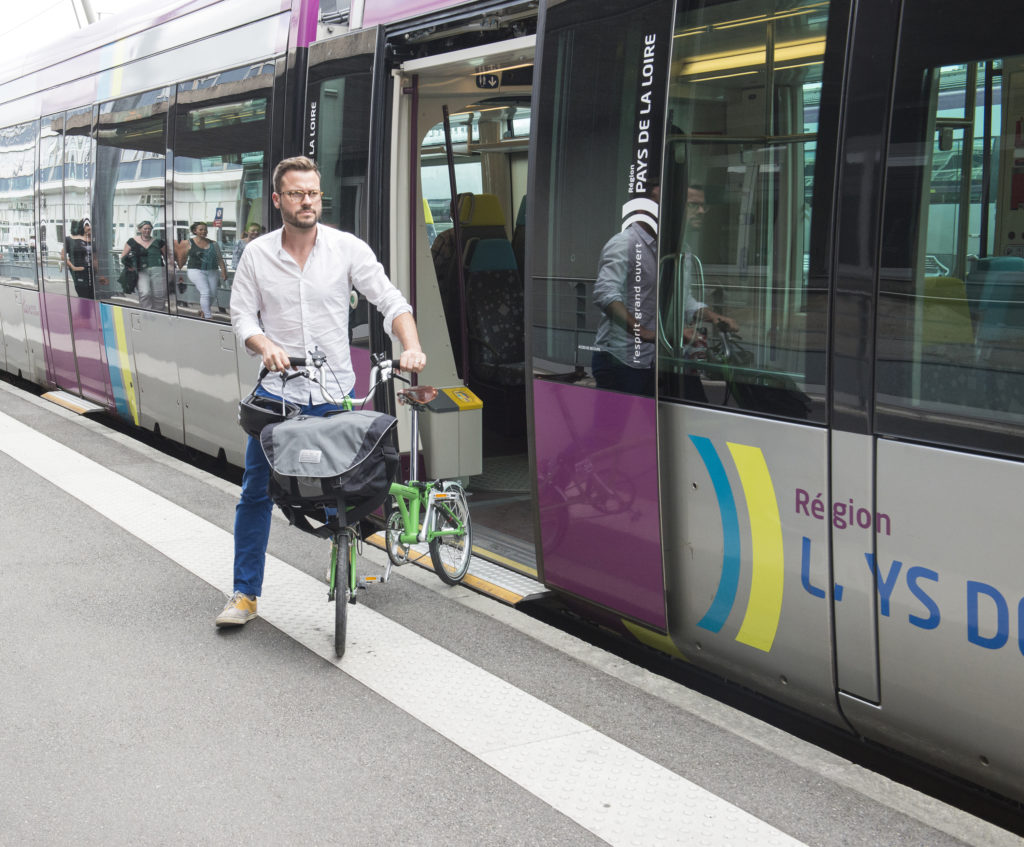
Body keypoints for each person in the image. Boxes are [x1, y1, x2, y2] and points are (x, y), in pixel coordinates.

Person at [217, 155, 427, 628]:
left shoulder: (346, 248)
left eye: (312, 192)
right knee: (256, 493)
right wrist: (264, 343)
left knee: (346, 488)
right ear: (278, 200)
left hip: (334, 395)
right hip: (277, 393)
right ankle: (245, 594)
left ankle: (347, 560)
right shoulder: (257, 255)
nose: (307, 200)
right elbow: (242, 317)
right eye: (296, 193)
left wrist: (411, 346)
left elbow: (391, 301)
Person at [591, 186, 661, 396]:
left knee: (644, 427)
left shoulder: (660, 247)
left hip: (647, 359)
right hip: (620, 360)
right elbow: (605, 293)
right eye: (659, 203)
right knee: (613, 428)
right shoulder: (624, 243)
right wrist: (643, 332)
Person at [675, 184, 738, 401]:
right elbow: (633, 301)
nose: (701, 211)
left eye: (703, 206)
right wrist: (672, 330)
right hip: (639, 358)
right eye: (694, 205)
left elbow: (685, 301)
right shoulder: (651, 248)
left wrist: (715, 317)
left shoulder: (685, 249)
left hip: (676, 356)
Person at [176, 221, 228, 318]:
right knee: (205, 292)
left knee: (213, 294)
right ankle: (208, 317)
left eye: (205, 229)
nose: (204, 231)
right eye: (201, 229)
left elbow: (219, 258)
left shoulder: (214, 244)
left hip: (212, 270)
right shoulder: (188, 243)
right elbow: (182, 257)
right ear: (195, 231)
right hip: (195, 270)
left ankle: (204, 310)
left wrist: (224, 271)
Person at [121, 220, 167, 310]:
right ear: (139, 229)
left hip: (158, 270)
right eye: (145, 229)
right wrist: (129, 266)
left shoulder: (159, 242)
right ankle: (146, 312)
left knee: (159, 294)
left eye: (149, 229)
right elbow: (123, 256)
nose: (147, 231)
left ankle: (159, 313)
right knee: (145, 292)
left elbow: (167, 257)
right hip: (141, 270)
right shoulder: (132, 241)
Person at [62, 218, 95, 299]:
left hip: (93, 274)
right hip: (80, 273)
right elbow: (63, 256)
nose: (90, 227)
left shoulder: (94, 240)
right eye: (87, 225)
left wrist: (100, 275)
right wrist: (73, 267)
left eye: (91, 225)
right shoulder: (72, 239)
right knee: (84, 297)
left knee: (92, 298)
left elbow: (95, 259)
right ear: (82, 227)